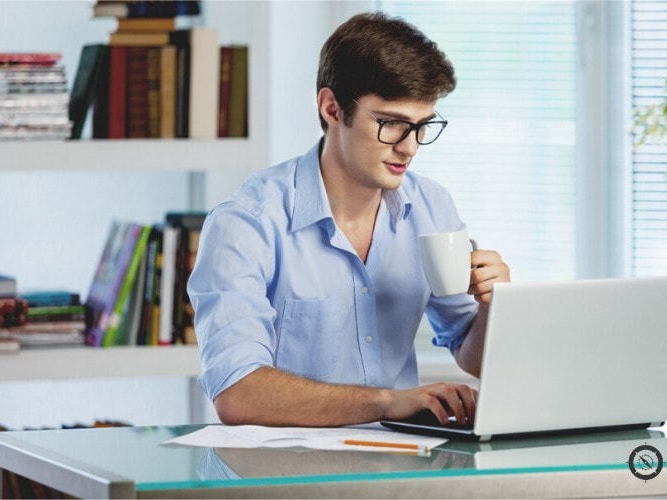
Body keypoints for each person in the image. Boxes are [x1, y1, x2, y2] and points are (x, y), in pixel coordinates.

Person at [188, 11, 511, 428]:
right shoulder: (247, 222)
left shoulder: (432, 207)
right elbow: (237, 393)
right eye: (391, 123)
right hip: (285, 478)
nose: (409, 148)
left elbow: (473, 356)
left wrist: (492, 307)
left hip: (401, 468)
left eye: (422, 126)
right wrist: (385, 403)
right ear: (332, 108)